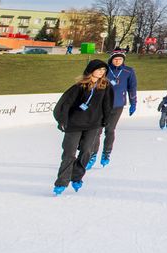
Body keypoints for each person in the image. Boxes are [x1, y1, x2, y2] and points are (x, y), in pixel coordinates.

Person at [51, 59, 114, 195]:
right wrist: (62, 119)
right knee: (69, 153)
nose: (101, 72)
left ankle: (77, 177)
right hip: (74, 124)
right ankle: (61, 182)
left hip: (93, 124)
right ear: (91, 70)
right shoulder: (80, 86)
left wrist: (106, 120)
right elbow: (65, 103)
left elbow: (107, 105)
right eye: (98, 69)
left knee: (86, 151)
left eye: (103, 70)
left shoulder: (106, 86)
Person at [97, 50, 137, 167]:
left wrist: (133, 102)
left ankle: (106, 153)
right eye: (115, 59)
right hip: (102, 105)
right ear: (111, 59)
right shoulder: (105, 70)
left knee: (110, 130)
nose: (117, 61)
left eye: (120, 59)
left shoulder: (128, 71)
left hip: (117, 105)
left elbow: (132, 88)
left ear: (123, 60)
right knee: (97, 131)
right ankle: (93, 154)